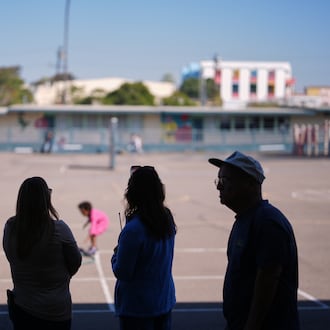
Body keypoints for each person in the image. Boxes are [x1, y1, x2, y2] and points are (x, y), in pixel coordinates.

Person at [208, 151, 300, 330]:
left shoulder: (267, 223)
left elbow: (267, 280)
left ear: (250, 184)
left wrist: (251, 325)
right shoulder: (245, 219)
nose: (219, 187)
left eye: (225, 181)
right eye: (218, 181)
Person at [3, 176, 82, 330]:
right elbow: (75, 262)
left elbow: (10, 256)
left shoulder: (10, 227)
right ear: (46, 199)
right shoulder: (59, 229)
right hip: (55, 311)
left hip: (22, 309)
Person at [111, 166, 176, 330]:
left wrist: (116, 255)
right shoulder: (166, 219)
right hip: (163, 300)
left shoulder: (133, 230)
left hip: (138, 309)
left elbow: (122, 272)